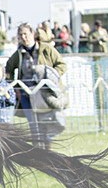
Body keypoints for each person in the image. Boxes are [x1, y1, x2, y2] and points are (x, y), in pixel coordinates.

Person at [5, 22, 68, 150]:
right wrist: (16, 87)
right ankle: (38, 155)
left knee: (47, 124)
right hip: (26, 95)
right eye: (20, 35)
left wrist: (51, 78)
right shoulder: (18, 54)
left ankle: (48, 153)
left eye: (26, 34)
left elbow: (61, 65)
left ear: (32, 34)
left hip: (45, 94)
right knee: (34, 126)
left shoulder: (47, 49)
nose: (23, 37)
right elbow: (8, 71)